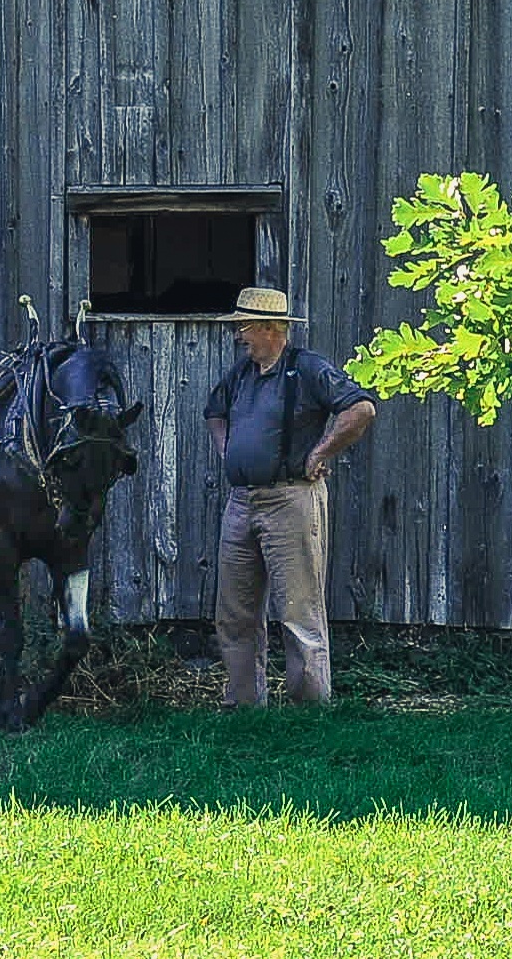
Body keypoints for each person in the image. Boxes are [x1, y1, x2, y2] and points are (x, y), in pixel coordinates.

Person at [204, 283, 377, 706]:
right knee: (235, 613)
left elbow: (361, 409)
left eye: (243, 326)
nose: (238, 335)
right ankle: (243, 705)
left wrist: (321, 451)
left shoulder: (307, 368)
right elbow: (214, 412)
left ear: (269, 328)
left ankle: (310, 711)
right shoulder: (241, 375)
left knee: (299, 611)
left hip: (291, 500)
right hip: (242, 502)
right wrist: (229, 452)